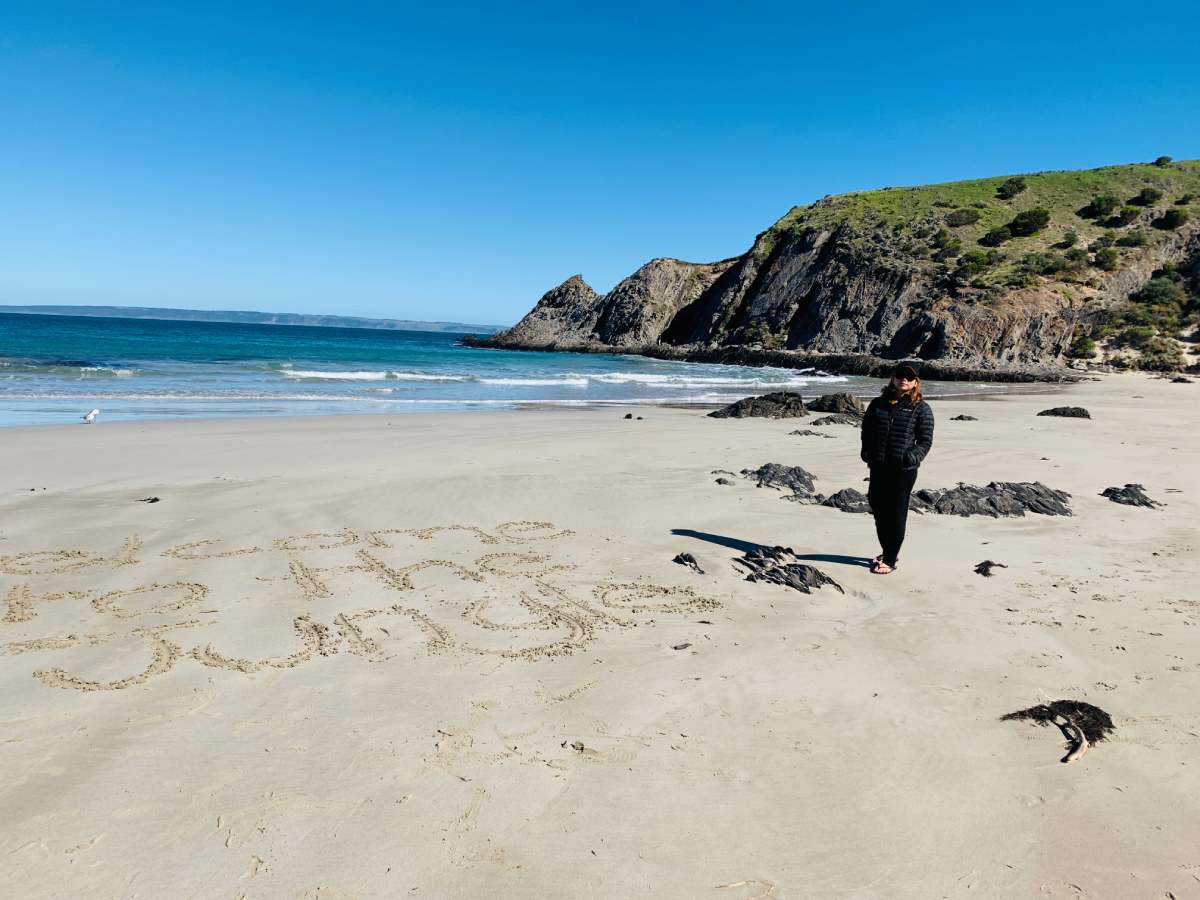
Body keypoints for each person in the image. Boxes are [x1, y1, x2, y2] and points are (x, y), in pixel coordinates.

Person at [860, 362, 934, 574]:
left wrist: (910, 457)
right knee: (876, 503)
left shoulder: (921, 408)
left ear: (915, 383)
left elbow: (925, 440)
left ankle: (890, 558)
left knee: (896, 511)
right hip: (879, 465)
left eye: (909, 377)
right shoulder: (877, 404)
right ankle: (887, 549)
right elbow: (867, 431)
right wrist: (866, 452)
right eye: (900, 375)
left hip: (903, 470)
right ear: (893, 378)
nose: (904, 379)